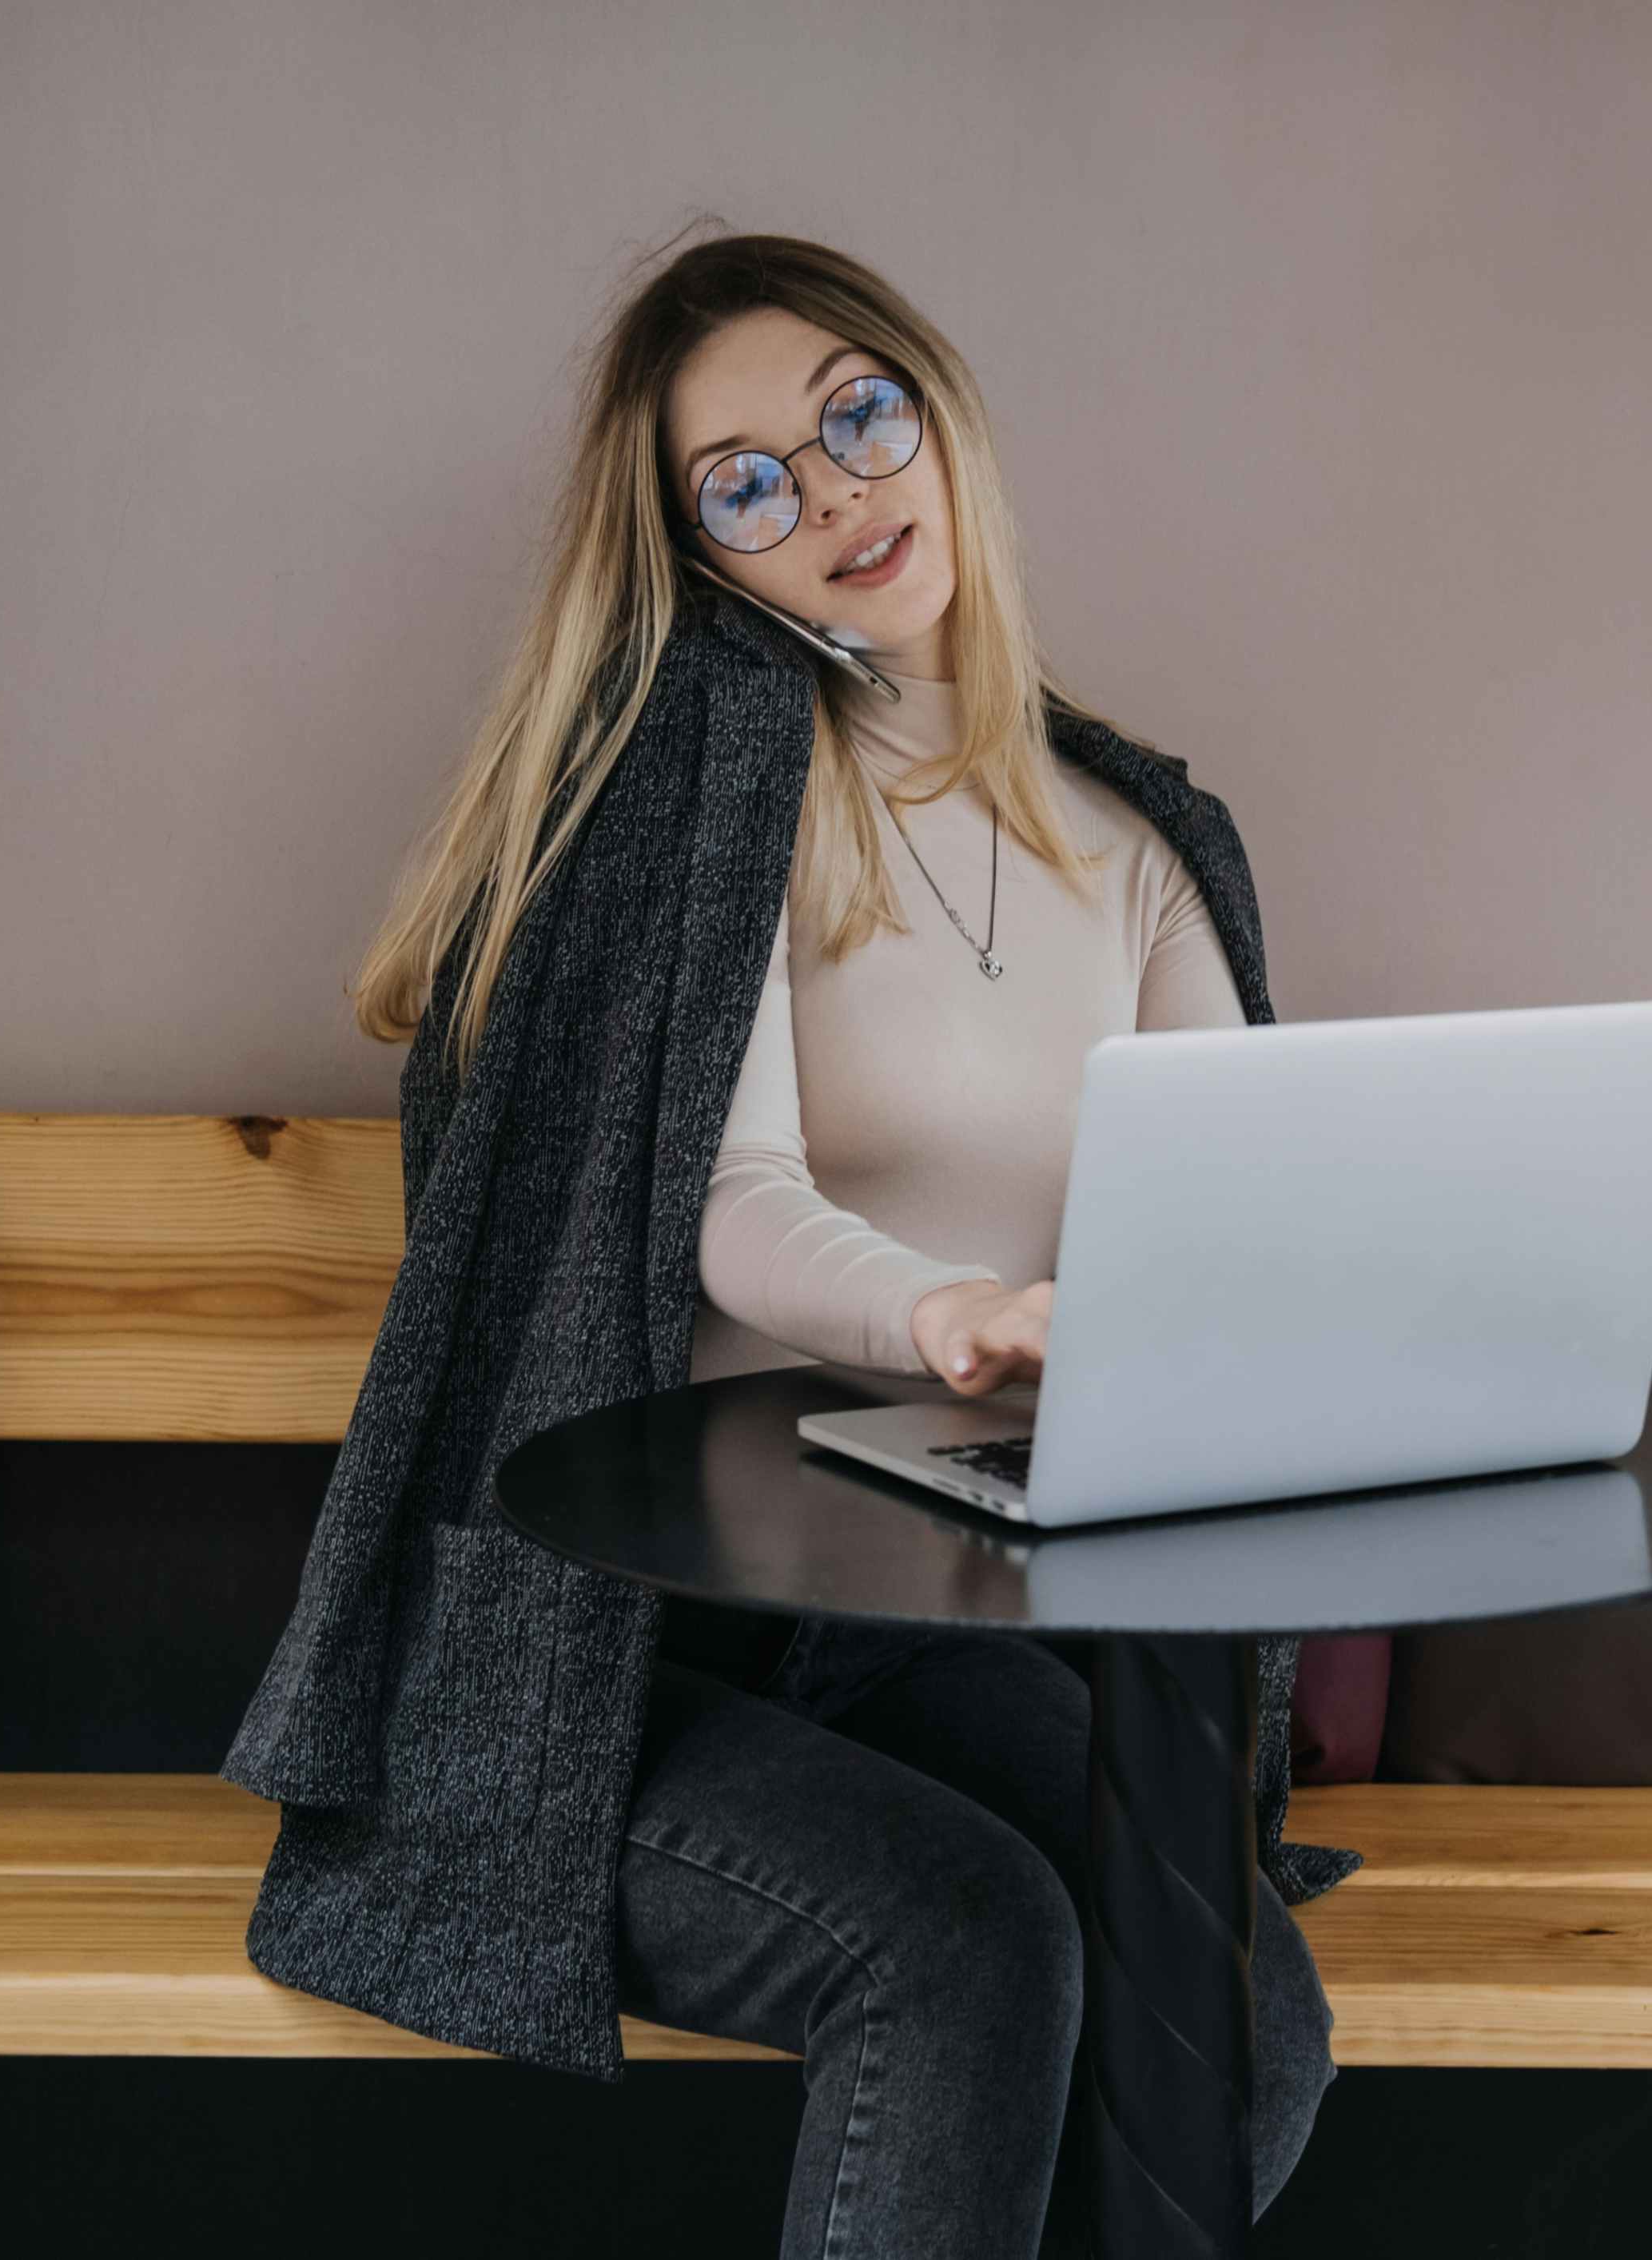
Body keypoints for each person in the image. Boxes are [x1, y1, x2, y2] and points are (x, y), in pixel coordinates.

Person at [324, 227, 1339, 2255]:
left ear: (941, 414)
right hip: (624, 1638)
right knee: (967, 1946)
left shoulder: (1134, 839)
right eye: (752, 481)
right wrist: (946, 1306)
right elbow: (726, 1199)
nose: (838, 494)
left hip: (930, 1621)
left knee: (1237, 2015)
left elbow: (1233, 1207)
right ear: (707, 554)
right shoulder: (694, 805)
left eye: (859, 414)